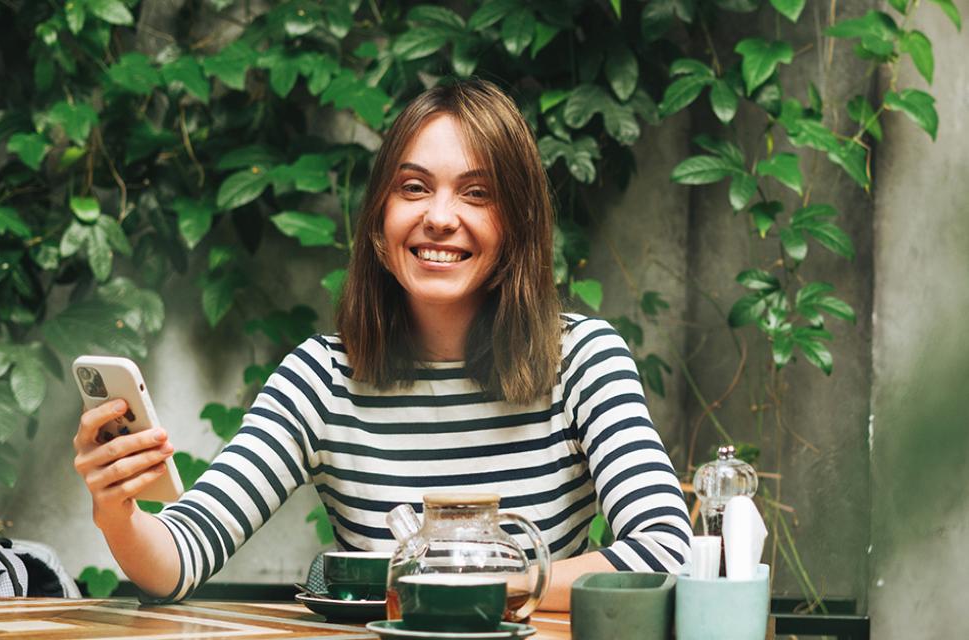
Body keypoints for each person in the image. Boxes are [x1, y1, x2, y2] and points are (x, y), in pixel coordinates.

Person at [72, 79, 692, 609]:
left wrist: (473, 580)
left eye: (476, 193)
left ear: (518, 223)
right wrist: (116, 510)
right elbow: (178, 559)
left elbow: (664, 551)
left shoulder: (582, 360)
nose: (440, 217)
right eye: (414, 187)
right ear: (379, 220)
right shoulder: (322, 377)